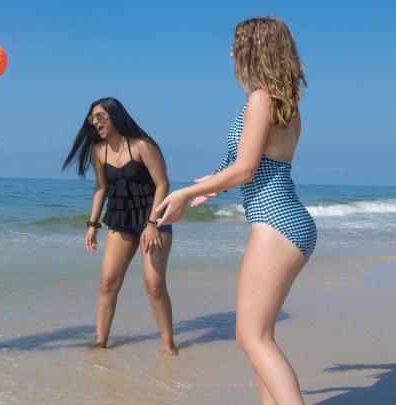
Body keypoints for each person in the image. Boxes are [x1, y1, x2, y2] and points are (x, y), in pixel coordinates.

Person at [156, 17, 316, 404]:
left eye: (236, 44)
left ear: (255, 49)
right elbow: (259, 165)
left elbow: (245, 168)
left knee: (251, 337)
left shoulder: (262, 98)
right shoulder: (285, 101)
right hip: (289, 219)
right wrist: (214, 184)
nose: (230, 52)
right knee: (261, 337)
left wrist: (185, 193)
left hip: (276, 222)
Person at [63, 97, 177, 353]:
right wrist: (92, 224)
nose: (95, 122)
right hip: (121, 217)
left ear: (115, 116)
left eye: (100, 116)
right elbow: (101, 188)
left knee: (154, 285)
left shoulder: (142, 146)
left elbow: (163, 184)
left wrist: (152, 224)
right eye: (92, 118)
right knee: (108, 281)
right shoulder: (98, 151)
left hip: (153, 217)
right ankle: (100, 343)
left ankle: (169, 344)